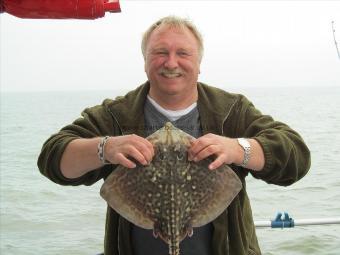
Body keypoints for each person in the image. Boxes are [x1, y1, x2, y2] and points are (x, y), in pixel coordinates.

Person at [38, 16, 311, 255]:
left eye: (183, 53)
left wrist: (239, 149)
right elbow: (52, 157)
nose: (171, 62)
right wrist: (104, 148)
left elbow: (296, 156)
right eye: (160, 52)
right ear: (145, 62)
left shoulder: (231, 111)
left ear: (199, 63)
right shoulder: (115, 116)